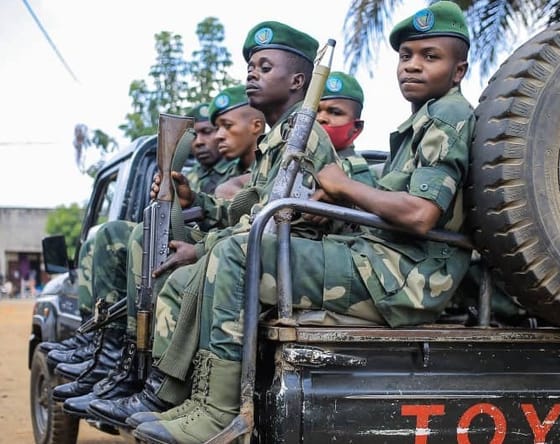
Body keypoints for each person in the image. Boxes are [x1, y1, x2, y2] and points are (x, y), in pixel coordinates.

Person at [130, 3, 474, 442]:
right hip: (381, 261)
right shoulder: (424, 120)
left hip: (406, 277)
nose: (412, 66)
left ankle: (219, 414)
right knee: (229, 251)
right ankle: (195, 400)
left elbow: (422, 215)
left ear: (459, 69)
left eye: (430, 56)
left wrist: (340, 187)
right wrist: (325, 202)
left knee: (239, 254)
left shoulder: (448, 116)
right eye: (406, 56)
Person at [86, 21, 339, 433]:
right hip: (260, 252)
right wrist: (196, 202)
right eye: (250, 67)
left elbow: (276, 225)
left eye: (264, 66)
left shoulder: (303, 137)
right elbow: (249, 210)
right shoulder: (280, 139)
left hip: (285, 261)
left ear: (297, 80)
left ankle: (179, 397)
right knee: (160, 252)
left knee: (193, 274)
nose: (251, 74)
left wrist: (202, 250)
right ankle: (155, 386)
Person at [50, 89, 266, 417]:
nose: (214, 137)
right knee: (115, 233)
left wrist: (199, 231)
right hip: (215, 256)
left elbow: (247, 221)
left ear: (257, 126)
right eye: (209, 129)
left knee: (144, 240)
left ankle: (145, 371)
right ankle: (112, 355)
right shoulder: (209, 175)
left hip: (225, 263)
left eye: (221, 127)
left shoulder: (251, 174)